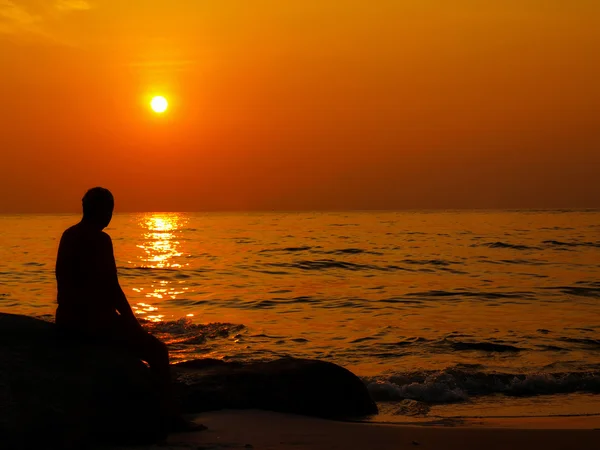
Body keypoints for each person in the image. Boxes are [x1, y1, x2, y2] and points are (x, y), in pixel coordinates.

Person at [55, 187, 203, 432]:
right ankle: (169, 418)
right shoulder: (100, 239)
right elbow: (111, 287)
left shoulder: (68, 234)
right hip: (91, 322)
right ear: (102, 211)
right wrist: (132, 322)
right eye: (109, 209)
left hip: (67, 319)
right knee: (158, 352)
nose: (110, 215)